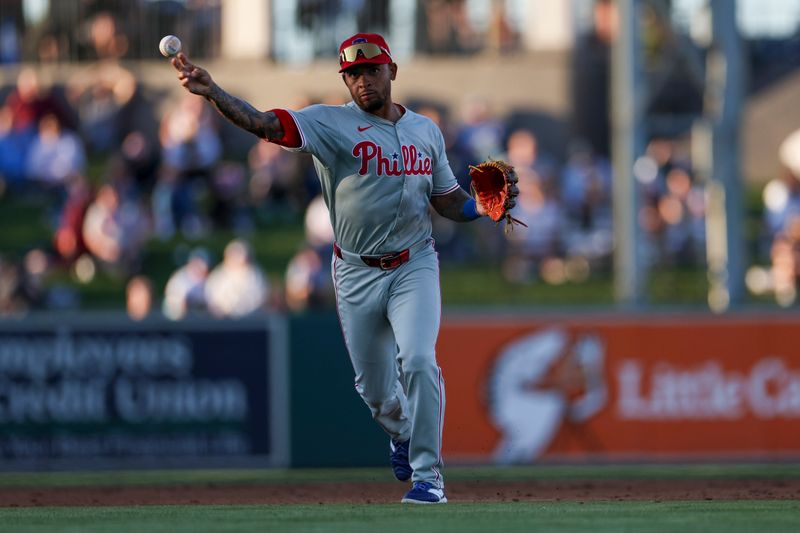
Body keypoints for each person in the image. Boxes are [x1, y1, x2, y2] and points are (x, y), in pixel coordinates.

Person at [170, 32, 518, 504]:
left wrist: (477, 209)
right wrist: (215, 94)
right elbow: (263, 124)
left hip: (414, 263)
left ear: (391, 71)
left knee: (417, 359)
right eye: (352, 73)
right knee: (375, 392)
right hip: (355, 271)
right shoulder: (329, 123)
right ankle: (399, 433)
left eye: (371, 69)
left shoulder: (426, 131)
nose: (362, 80)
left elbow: (447, 200)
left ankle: (428, 477)